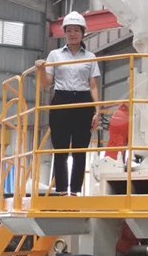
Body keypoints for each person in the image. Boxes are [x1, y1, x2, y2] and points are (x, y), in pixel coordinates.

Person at [36, 11, 101, 195]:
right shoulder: (55, 55)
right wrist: (41, 70)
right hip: (61, 101)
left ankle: (75, 191)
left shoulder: (91, 56)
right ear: (65, 33)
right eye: (69, 30)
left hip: (83, 102)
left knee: (80, 150)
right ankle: (62, 191)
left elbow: (94, 86)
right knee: (61, 149)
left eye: (76, 30)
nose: (73, 34)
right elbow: (46, 84)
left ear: (83, 33)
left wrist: (97, 111)